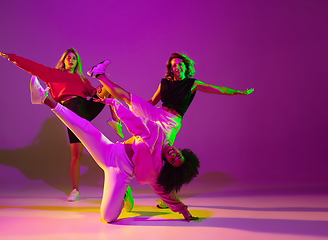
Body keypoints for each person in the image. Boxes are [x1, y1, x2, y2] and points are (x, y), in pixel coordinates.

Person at [29, 69, 200, 222]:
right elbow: (135, 123)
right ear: (180, 150)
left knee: (108, 217)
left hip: (119, 173)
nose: (173, 155)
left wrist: (184, 212)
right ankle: (44, 98)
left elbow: (165, 193)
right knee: (83, 127)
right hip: (109, 150)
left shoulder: (155, 170)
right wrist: (113, 104)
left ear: (168, 165)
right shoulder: (158, 134)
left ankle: (123, 194)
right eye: (178, 155)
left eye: (172, 160)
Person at [91, 53, 254, 208]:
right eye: (174, 65)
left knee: (159, 155)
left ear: (185, 66)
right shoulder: (164, 83)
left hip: (170, 123)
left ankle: (164, 195)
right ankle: (99, 74)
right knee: (128, 97)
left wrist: (239, 92)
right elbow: (153, 101)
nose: (177, 67)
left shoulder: (192, 84)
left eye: (180, 64)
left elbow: (217, 89)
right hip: (158, 112)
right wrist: (139, 105)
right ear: (171, 68)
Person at [0, 49, 113, 202]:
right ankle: (75, 190)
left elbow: (92, 92)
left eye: (74, 58)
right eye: (68, 58)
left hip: (85, 109)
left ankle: (115, 120)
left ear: (77, 62)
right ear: (63, 60)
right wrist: (13, 57)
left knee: (108, 89)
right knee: (77, 154)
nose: (71, 60)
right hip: (70, 111)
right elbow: (33, 66)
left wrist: (98, 89)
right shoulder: (52, 74)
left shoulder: (82, 79)